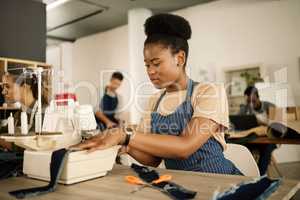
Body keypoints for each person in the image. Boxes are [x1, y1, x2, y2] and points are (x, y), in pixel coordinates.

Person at [73, 13, 242, 175]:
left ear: (180, 59)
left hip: (220, 182)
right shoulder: (155, 101)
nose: (151, 71)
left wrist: (125, 134)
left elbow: (185, 147)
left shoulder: (208, 92)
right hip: (182, 186)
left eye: (156, 63)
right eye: (147, 65)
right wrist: (125, 145)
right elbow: (153, 159)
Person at [0, 69, 47, 179]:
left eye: (8, 87)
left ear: (25, 87)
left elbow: (33, 145)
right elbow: (3, 132)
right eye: (3, 87)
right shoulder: (19, 113)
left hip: (30, 169)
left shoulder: (43, 112)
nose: (3, 92)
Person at [239, 86, 277, 175]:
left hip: (270, 139)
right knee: (242, 148)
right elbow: (236, 121)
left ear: (258, 97)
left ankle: (259, 176)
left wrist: (261, 123)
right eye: (248, 102)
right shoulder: (245, 108)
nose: (251, 104)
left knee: (266, 149)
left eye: (253, 101)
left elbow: (278, 125)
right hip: (252, 139)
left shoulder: (270, 106)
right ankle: (244, 175)